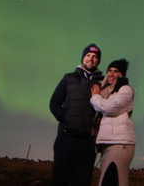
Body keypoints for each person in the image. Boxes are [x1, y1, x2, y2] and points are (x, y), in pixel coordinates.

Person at [49, 43, 104, 186]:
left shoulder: (102, 82)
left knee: (82, 181)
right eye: (88, 55)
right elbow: (54, 102)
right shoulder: (69, 78)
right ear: (83, 58)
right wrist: (66, 119)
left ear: (98, 61)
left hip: (88, 142)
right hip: (66, 138)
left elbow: (108, 108)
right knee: (60, 179)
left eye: (94, 57)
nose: (91, 59)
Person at [90, 58, 135, 186]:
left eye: (116, 71)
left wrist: (95, 97)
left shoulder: (126, 90)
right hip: (107, 143)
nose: (111, 74)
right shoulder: (106, 92)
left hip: (119, 143)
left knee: (113, 181)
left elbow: (109, 108)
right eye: (109, 70)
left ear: (122, 74)